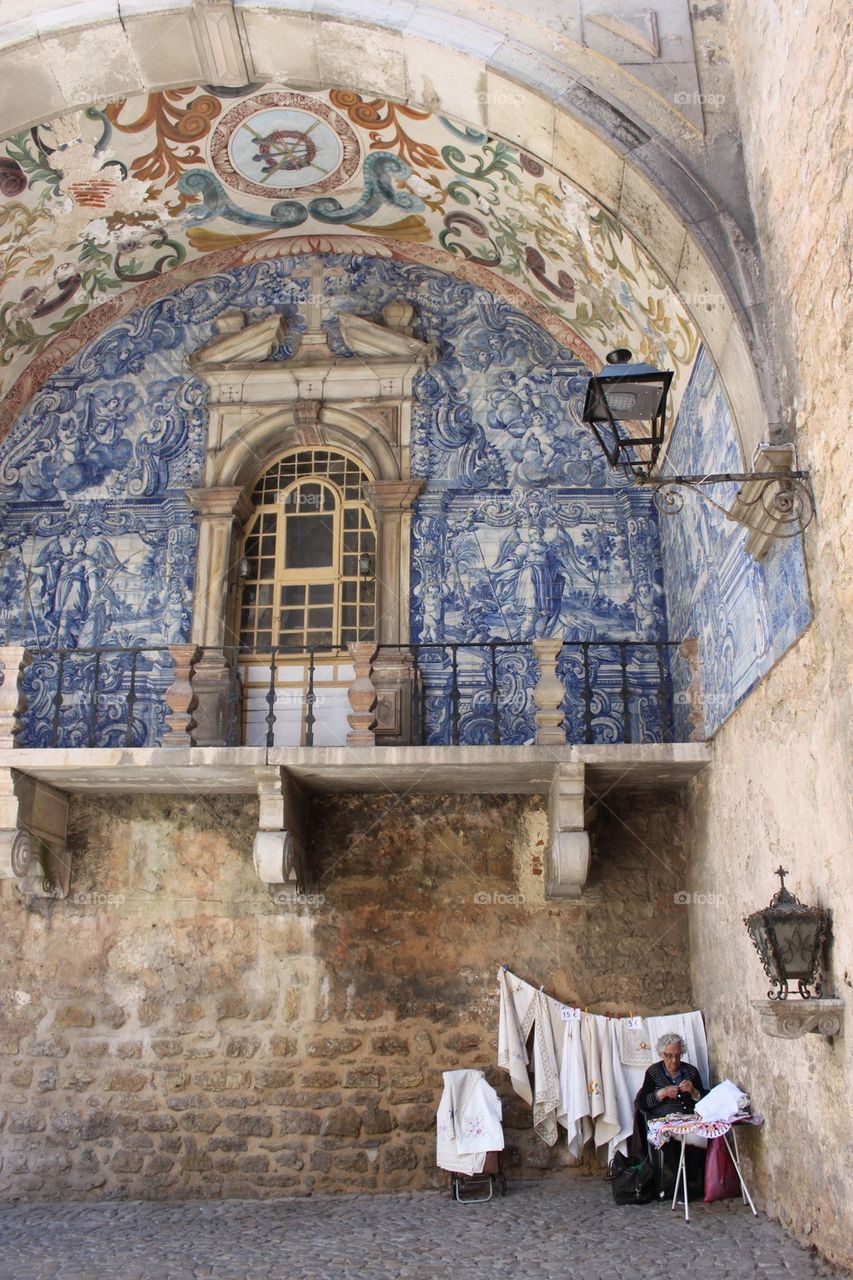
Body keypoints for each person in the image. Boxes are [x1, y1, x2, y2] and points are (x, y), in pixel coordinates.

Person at [634, 1033, 707, 1197]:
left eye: (677, 1056)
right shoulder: (653, 1073)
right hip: (663, 1122)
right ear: (662, 1054)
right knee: (668, 1139)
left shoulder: (691, 1072)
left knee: (700, 1137)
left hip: (688, 1120)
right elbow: (643, 1103)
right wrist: (662, 1093)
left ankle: (683, 1186)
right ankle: (683, 1186)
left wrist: (694, 1091)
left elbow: (704, 1101)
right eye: (669, 1056)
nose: (674, 1061)